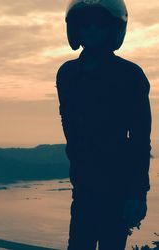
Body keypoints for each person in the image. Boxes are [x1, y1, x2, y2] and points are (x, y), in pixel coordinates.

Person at [55, 0, 152, 249]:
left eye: (100, 23)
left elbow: (141, 139)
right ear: (75, 29)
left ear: (113, 29)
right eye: (85, 23)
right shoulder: (67, 74)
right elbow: (71, 130)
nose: (92, 29)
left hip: (118, 188)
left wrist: (137, 194)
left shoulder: (130, 75)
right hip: (84, 187)